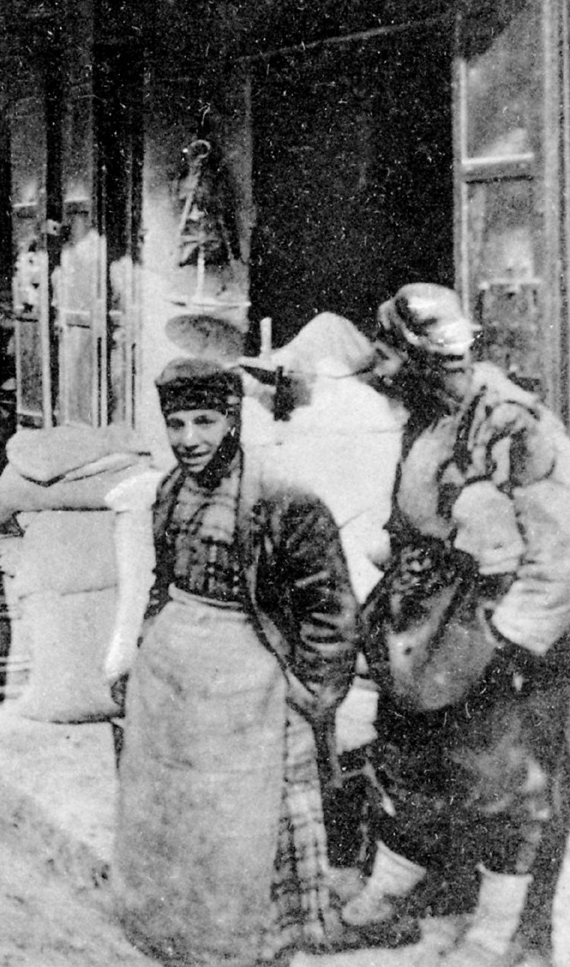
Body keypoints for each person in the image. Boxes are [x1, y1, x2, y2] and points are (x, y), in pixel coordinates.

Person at [336, 284, 570, 963]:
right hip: (428, 623)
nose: (379, 370)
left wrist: (511, 646)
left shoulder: (513, 424)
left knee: (499, 780)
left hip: (496, 629)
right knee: (408, 756)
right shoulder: (428, 418)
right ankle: (389, 895)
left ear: (420, 357)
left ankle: (495, 934)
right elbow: (412, 517)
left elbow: (558, 551)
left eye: (389, 355)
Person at [113, 358, 358, 964]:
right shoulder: (170, 492)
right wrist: (141, 650)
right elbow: (162, 583)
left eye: (205, 421)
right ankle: (178, 930)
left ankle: (255, 940)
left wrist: (311, 695)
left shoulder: (282, 498)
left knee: (252, 814)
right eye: (176, 424)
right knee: (176, 805)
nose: (189, 439)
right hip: (175, 677)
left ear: (233, 419)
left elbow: (330, 610)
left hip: (251, 680)